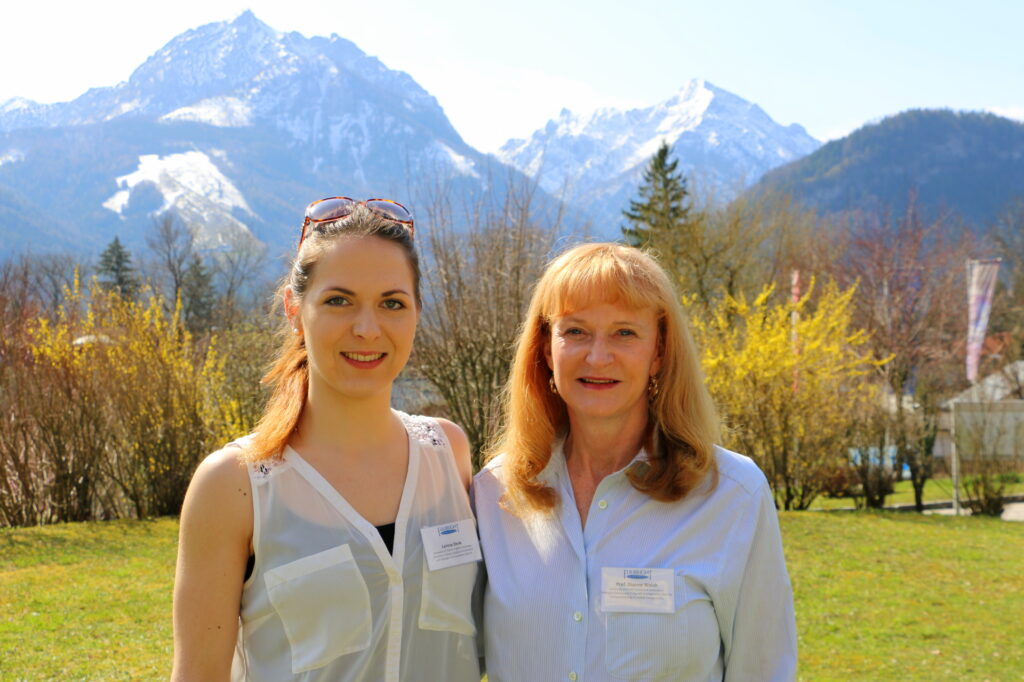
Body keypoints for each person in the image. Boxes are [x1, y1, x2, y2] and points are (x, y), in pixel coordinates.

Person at [172, 198, 482, 681]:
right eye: (339, 300)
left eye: (392, 303)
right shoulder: (235, 484)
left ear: (417, 313)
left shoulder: (449, 453)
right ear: (295, 310)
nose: (366, 328)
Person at [474, 242, 797, 681]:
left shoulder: (732, 495)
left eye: (625, 332)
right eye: (576, 331)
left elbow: (765, 669)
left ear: (659, 353)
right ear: (546, 350)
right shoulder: (495, 493)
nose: (598, 356)